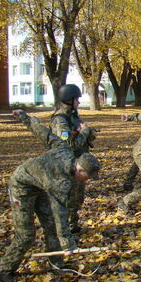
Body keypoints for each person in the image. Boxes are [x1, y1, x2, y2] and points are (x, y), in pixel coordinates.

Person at [0, 110, 100, 282]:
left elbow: (44, 133)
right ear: (80, 169)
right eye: (87, 177)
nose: (86, 181)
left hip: (40, 186)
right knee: (26, 234)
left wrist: (25, 118)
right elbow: (60, 212)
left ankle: (57, 263)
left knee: (50, 226)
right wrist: (68, 243)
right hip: (21, 186)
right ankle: (4, 270)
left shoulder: (64, 148)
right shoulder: (61, 181)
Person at [51, 84, 97, 233]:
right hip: (67, 165)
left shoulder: (73, 115)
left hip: (78, 163)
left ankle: (73, 225)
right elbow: (68, 145)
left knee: (78, 198)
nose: (78, 102)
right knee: (68, 198)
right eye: (76, 99)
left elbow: (85, 134)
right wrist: (83, 132)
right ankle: (66, 229)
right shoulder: (60, 120)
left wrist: (88, 132)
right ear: (68, 99)